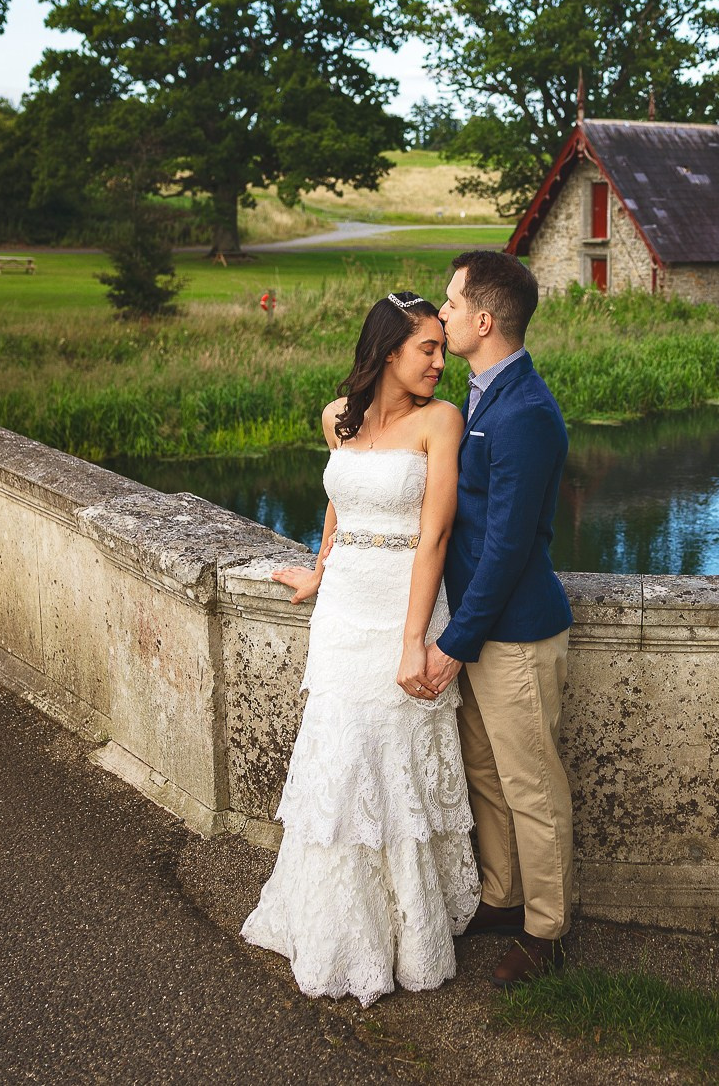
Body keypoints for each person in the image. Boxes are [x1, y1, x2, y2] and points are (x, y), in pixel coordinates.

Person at [242, 291, 479, 1006]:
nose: (441, 361)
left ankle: (408, 930)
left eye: (443, 347)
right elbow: (338, 501)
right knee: (341, 761)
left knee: (396, 761)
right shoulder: (336, 417)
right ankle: (337, 923)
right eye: (426, 349)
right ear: (385, 353)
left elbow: (434, 536)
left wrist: (415, 641)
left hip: (404, 608)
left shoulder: (443, 422)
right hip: (343, 611)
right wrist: (319, 567)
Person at [405, 250, 576, 990]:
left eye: (448, 304)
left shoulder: (527, 412)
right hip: (478, 626)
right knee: (487, 775)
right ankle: (503, 898)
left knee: (533, 785)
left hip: (515, 633)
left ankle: (547, 930)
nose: (440, 316)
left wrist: (453, 642)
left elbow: (506, 547)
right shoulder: (479, 396)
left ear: (483, 319)